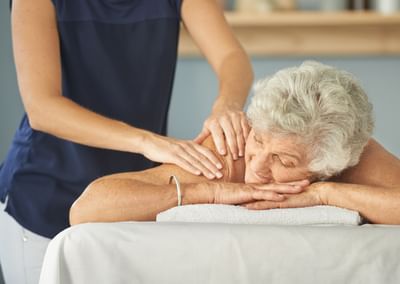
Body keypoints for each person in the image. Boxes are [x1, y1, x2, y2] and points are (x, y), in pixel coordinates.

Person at [0, 0, 253, 283]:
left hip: (129, 200)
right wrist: (147, 141)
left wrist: (226, 106)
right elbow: (42, 108)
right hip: (44, 196)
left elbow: (231, 56)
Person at [70, 61, 400, 225]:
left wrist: (325, 195)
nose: (256, 167)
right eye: (258, 140)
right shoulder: (229, 151)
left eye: (283, 161)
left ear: (328, 165)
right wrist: (210, 193)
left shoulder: (348, 153)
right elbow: (86, 209)